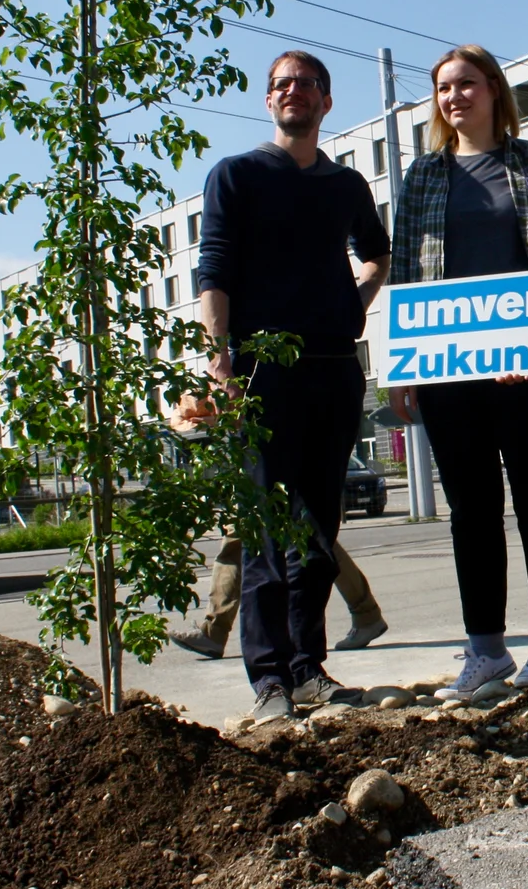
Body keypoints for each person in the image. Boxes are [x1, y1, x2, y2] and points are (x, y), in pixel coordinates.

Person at [194, 50, 390, 719]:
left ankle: (310, 667)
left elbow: (377, 250)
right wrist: (220, 365)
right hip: (259, 373)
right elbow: (213, 269)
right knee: (266, 532)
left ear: (326, 102)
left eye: (305, 83)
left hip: (335, 369)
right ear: (268, 99)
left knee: (317, 528)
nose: (293, 91)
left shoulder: (347, 186)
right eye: (281, 83)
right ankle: (269, 679)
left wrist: (353, 302)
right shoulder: (238, 175)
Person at [386, 45, 528, 699]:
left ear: (493, 89)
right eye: (443, 88)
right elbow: (405, 274)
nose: (454, 96)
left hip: (527, 368)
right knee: (471, 510)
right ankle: (485, 650)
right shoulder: (423, 178)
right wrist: (400, 367)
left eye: (465, 83)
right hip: (447, 369)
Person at [169, 534, 386, 658]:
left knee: (313, 535)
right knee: (313, 534)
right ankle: (366, 614)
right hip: (275, 463)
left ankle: (214, 632)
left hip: (268, 463)